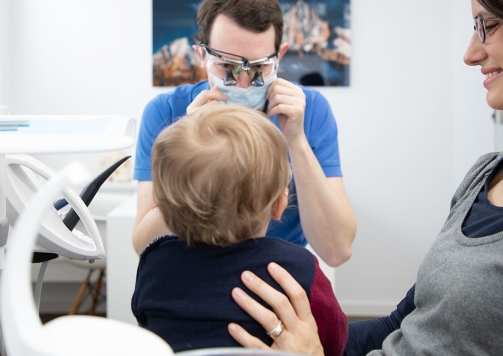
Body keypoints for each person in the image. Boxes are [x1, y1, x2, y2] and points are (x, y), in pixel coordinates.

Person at [226, 0, 503, 356]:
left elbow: (337, 248)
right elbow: (407, 324)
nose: (471, 54)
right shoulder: (487, 175)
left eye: (487, 25)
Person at [133, 0, 356, 266]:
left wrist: (296, 141)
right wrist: (185, 146)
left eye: (259, 67)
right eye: (226, 66)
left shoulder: (309, 110)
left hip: (277, 273)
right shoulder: (165, 112)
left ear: (280, 57)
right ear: (201, 55)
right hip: (192, 270)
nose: (243, 82)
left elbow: (336, 251)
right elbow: (143, 245)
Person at [131, 104, 348, 355]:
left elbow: (145, 322)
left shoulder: (156, 261)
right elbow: (334, 340)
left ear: (164, 208)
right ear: (280, 204)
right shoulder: (298, 267)